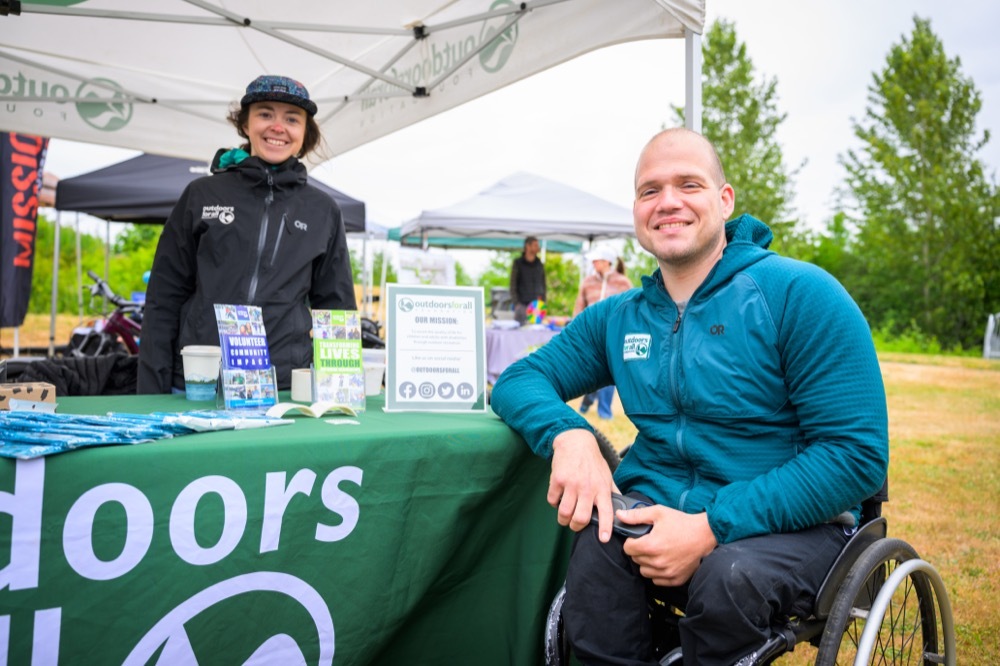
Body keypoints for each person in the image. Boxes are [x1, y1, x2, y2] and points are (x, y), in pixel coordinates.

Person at [491, 128, 888, 665]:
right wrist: (571, 434)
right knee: (598, 543)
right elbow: (519, 380)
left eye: (688, 184)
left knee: (727, 577)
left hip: (792, 527)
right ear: (636, 211)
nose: (668, 202)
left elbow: (855, 455)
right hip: (658, 511)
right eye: (649, 190)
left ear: (724, 200)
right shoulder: (617, 316)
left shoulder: (801, 294)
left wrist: (710, 528)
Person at [137, 75, 356, 394]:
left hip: (282, 389)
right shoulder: (202, 195)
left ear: (305, 131)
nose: (277, 127)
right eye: (265, 114)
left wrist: (341, 391)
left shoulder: (323, 210)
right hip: (196, 385)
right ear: (245, 123)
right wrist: (151, 391)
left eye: (291, 119)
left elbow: (337, 312)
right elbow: (163, 298)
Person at [573, 245, 633, 419]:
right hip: (591, 334)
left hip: (614, 333)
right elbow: (579, 306)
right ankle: (587, 401)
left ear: (607, 261)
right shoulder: (587, 282)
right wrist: (575, 328)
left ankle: (604, 412)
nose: (593, 262)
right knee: (592, 371)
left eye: (597, 259)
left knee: (609, 370)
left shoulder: (622, 282)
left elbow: (631, 309)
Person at [509, 236, 546, 325]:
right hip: (521, 305)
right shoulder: (518, 263)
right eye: (535, 245)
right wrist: (517, 303)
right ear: (528, 246)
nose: (538, 248)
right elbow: (513, 284)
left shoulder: (539, 264)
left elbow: (543, 285)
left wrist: (543, 302)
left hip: (537, 306)